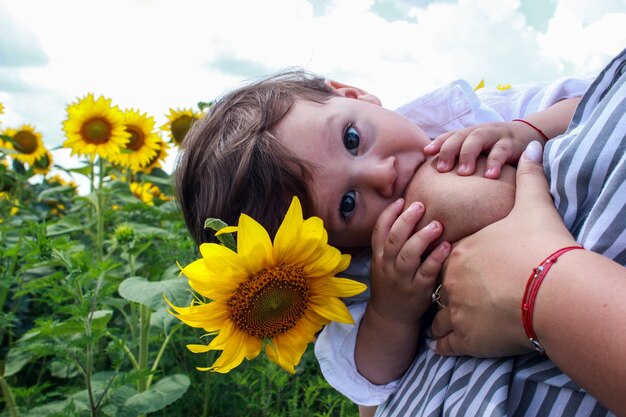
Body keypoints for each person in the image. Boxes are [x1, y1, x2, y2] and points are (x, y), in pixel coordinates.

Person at [173, 61, 614, 415]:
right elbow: (368, 379)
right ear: (327, 248)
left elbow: (592, 105)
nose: (381, 174)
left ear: (351, 94)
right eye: (347, 205)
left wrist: (528, 129)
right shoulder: (366, 273)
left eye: (352, 139)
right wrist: (393, 310)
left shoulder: (476, 116)